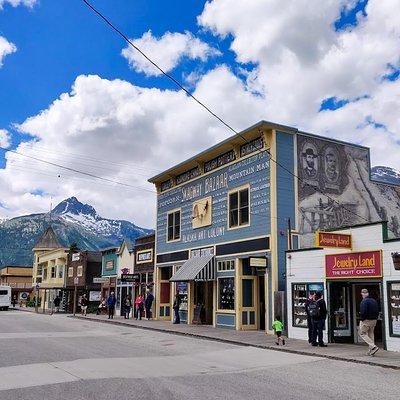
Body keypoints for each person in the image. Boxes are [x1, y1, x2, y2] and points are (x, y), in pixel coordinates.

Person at [359, 288, 379, 356]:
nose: (362, 295)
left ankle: (373, 347)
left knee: (362, 333)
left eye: (362, 294)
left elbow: (363, 311)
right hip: (374, 320)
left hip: (367, 320)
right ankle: (371, 351)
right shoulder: (374, 300)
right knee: (371, 334)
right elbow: (377, 310)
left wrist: (362, 319)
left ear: (363, 294)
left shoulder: (364, 301)